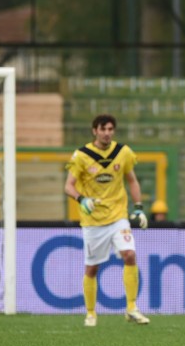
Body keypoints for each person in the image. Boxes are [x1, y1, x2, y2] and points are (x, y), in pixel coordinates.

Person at [64, 114, 150, 327]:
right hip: (93, 221)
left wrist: (138, 208)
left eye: (110, 129)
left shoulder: (123, 152)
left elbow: (132, 180)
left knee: (130, 255)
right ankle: (91, 313)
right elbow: (68, 186)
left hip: (118, 216)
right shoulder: (81, 156)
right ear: (95, 131)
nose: (107, 133)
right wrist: (81, 199)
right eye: (103, 129)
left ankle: (131, 308)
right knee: (92, 268)